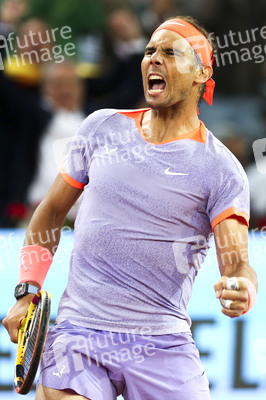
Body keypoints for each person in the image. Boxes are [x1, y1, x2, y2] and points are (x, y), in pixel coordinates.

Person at [3, 16, 258, 400]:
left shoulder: (221, 169)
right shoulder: (100, 129)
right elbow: (52, 212)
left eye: (170, 53)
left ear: (201, 72)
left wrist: (243, 290)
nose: (154, 59)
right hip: (81, 332)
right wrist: (28, 289)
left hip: (163, 341)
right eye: (150, 50)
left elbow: (236, 263)